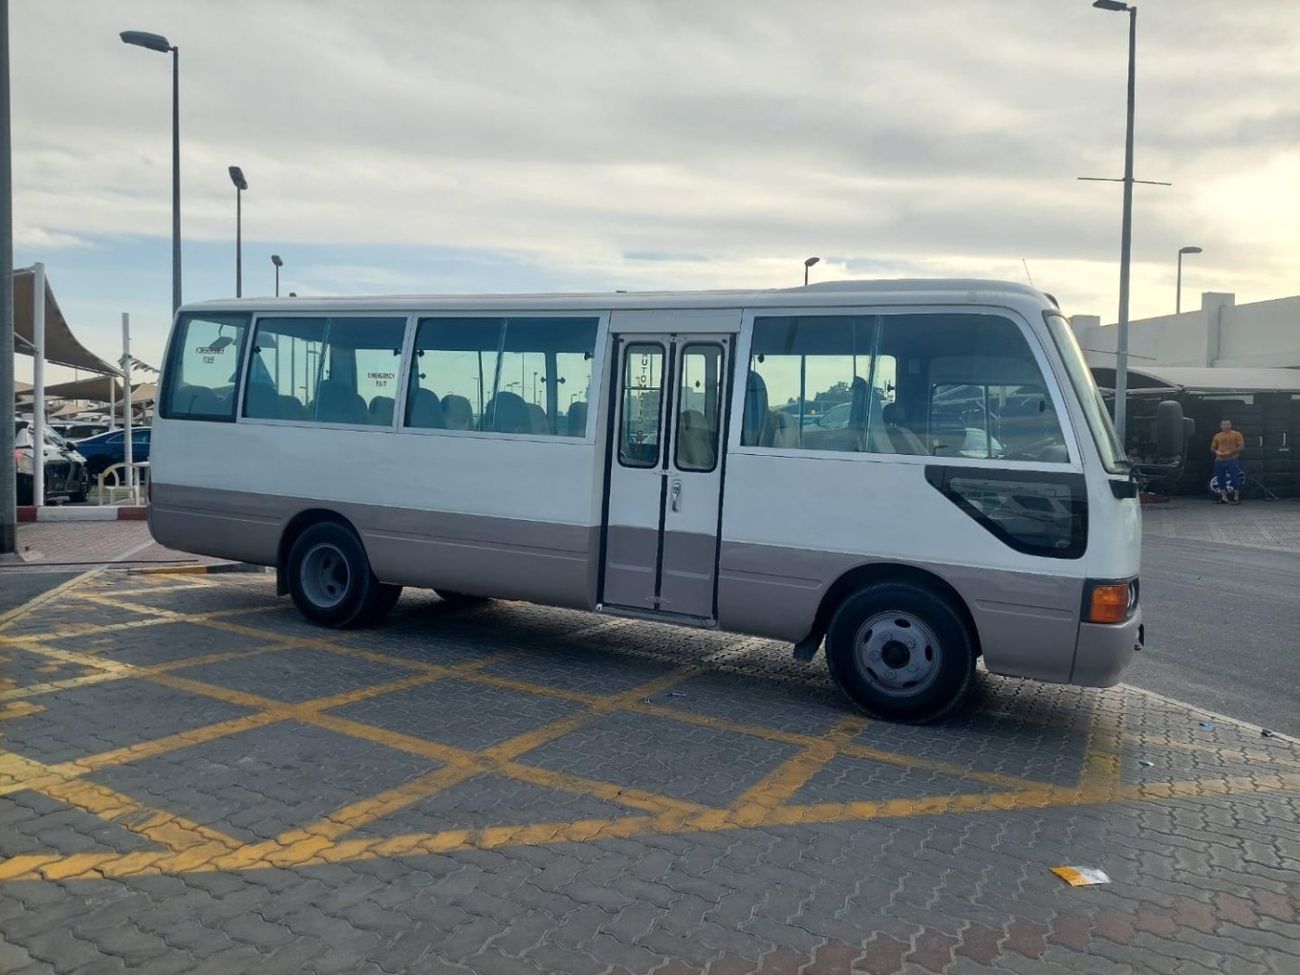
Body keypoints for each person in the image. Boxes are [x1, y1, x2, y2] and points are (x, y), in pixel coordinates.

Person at [1211, 418, 1245, 505]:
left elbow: (1241, 447)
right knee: (1220, 479)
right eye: (1224, 424)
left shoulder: (1236, 434)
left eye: (1227, 424)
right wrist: (1216, 452)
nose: (1226, 426)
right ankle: (1224, 497)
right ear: (1221, 426)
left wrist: (1230, 452)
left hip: (1232, 459)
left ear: (1231, 425)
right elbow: (1212, 447)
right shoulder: (1217, 436)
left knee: (1234, 478)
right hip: (1219, 460)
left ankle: (1236, 497)